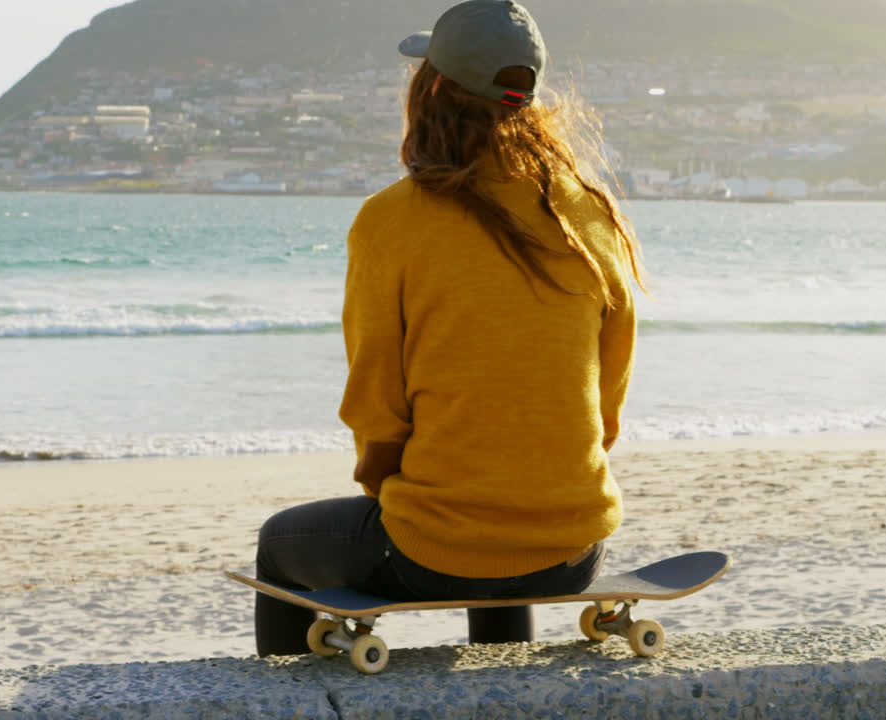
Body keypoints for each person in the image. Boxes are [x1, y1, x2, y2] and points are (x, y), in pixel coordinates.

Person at [252, 0, 646, 656]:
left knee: (277, 545)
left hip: (431, 552)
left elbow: (377, 409)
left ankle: (284, 701)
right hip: (573, 549)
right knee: (497, 551)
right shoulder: (588, 215)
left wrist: (407, 498)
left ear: (431, 89)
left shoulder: (390, 220)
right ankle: (501, 670)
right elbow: (607, 405)